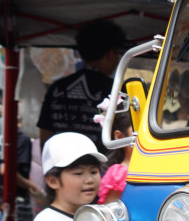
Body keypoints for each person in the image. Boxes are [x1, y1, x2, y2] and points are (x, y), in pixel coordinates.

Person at [36, 20, 127, 150]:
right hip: (101, 162)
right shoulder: (116, 90)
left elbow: (45, 137)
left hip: (60, 161)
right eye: (117, 53)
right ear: (111, 53)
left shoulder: (57, 88)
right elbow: (126, 133)